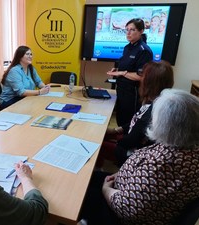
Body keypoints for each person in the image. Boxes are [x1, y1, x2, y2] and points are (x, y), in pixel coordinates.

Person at [80, 89, 199, 225]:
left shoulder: (163, 163)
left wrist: (106, 189)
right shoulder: (185, 147)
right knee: (87, 177)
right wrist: (119, 174)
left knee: (82, 194)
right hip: (129, 189)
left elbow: (126, 208)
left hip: (124, 214)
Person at [98, 60, 174, 167]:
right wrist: (115, 130)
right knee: (101, 134)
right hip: (134, 142)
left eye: (143, 76)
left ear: (148, 82)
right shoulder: (158, 101)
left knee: (96, 143)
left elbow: (131, 140)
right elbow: (135, 121)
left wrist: (114, 138)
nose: (140, 79)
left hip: (133, 154)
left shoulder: (153, 111)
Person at [107, 18, 153, 126]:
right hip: (121, 90)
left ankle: (126, 142)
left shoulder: (144, 51)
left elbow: (141, 76)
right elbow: (128, 67)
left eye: (132, 30)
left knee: (128, 123)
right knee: (120, 119)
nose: (128, 33)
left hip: (133, 94)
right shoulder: (127, 47)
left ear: (141, 31)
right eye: (126, 29)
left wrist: (122, 73)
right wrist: (117, 70)